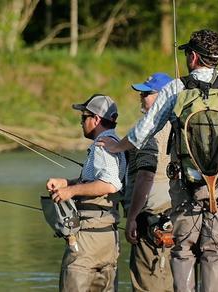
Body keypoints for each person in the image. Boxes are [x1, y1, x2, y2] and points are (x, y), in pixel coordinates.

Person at [98, 29, 218, 291]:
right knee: (216, 250)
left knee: (184, 249)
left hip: (185, 182)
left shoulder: (176, 88)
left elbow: (144, 131)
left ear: (192, 56)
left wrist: (115, 146)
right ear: (216, 59)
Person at [46, 94, 127, 291]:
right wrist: (65, 183)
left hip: (89, 241)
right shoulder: (116, 143)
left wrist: (71, 191)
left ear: (96, 119)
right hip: (108, 240)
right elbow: (98, 180)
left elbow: (109, 184)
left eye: (84, 118)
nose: (81, 123)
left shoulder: (102, 146)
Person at [124, 73, 174, 292]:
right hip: (181, 219)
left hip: (151, 219)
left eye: (147, 93)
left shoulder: (148, 129)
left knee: (146, 285)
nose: (141, 97)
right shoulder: (184, 126)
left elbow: (146, 175)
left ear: (163, 96)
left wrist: (132, 217)